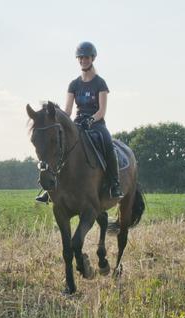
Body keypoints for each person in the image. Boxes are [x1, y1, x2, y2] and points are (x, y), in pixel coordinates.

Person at [35, 41, 123, 203]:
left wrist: (91, 119)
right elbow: (68, 111)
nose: (83, 60)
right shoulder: (74, 84)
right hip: (77, 123)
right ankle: (49, 190)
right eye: (81, 58)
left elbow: (102, 111)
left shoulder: (100, 83)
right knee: (61, 147)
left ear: (92, 58)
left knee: (108, 143)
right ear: (78, 60)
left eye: (86, 57)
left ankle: (114, 183)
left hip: (96, 124)